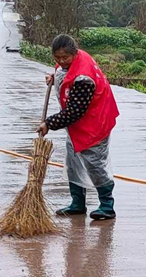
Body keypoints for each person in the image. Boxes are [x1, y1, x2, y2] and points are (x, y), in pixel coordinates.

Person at [37, 34, 120, 220]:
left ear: (74, 53)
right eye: (56, 57)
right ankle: (77, 203)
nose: (60, 61)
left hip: (94, 123)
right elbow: (63, 70)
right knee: (73, 161)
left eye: (64, 57)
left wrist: (48, 123)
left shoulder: (84, 78)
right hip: (77, 126)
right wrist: (55, 76)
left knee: (95, 164)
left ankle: (107, 205)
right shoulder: (70, 61)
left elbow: (74, 112)